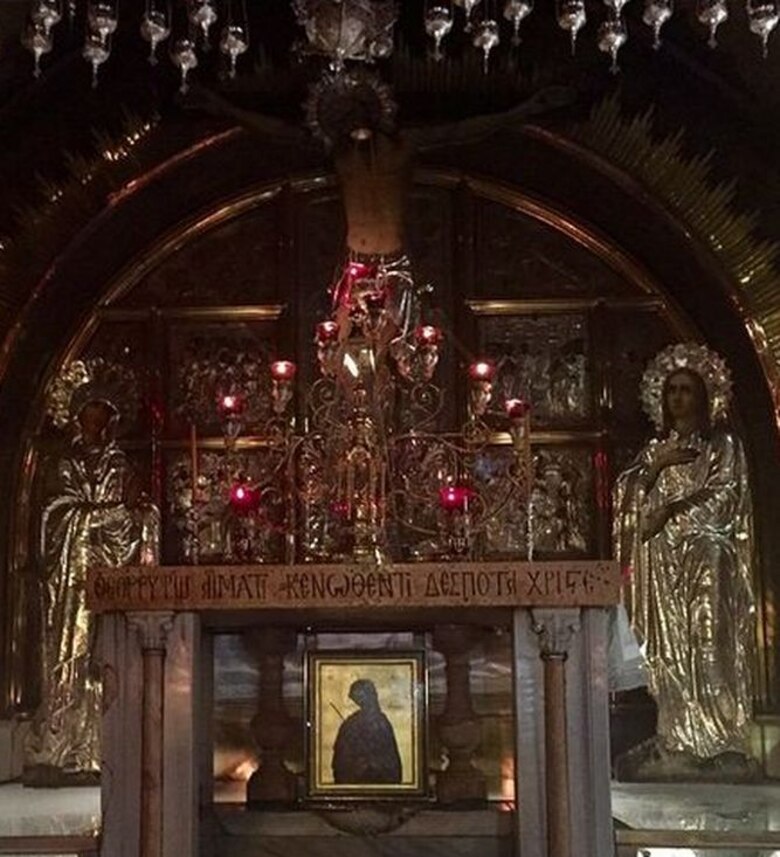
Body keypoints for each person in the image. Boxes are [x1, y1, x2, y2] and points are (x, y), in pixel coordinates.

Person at [612, 343, 756, 763]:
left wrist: (672, 513)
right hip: (663, 565)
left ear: (703, 396)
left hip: (708, 555)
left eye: (686, 389)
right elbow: (625, 498)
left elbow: (726, 496)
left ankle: (720, 733)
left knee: (708, 637)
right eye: (672, 389)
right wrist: (657, 467)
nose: (678, 397)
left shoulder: (723, 445)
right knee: (669, 649)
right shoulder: (655, 452)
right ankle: (676, 736)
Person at [24, 364, 159, 786]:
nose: (96, 422)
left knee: (108, 654)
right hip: (70, 580)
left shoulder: (120, 464)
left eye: (103, 415)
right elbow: (53, 514)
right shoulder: (62, 462)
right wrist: (105, 516)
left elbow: (133, 516)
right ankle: (58, 748)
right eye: (89, 413)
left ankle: (100, 749)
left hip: (111, 572)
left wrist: (138, 513)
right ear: (78, 417)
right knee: (70, 651)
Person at [332, 678, 402, 784]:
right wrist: (359, 763)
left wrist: (373, 763)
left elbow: (392, 761)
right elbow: (341, 758)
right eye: (359, 699)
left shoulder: (382, 723)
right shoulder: (350, 724)